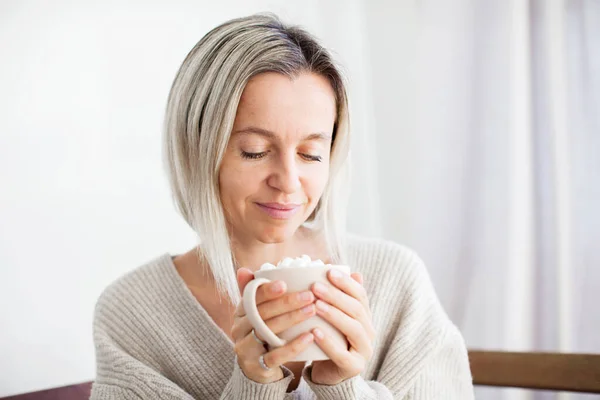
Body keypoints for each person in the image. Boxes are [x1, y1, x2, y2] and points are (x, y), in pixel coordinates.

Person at [90, 13, 474, 399]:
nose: (288, 181)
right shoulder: (134, 313)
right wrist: (254, 387)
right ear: (197, 150)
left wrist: (342, 388)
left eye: (310, 154)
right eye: (255, 152)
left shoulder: (395, 282)